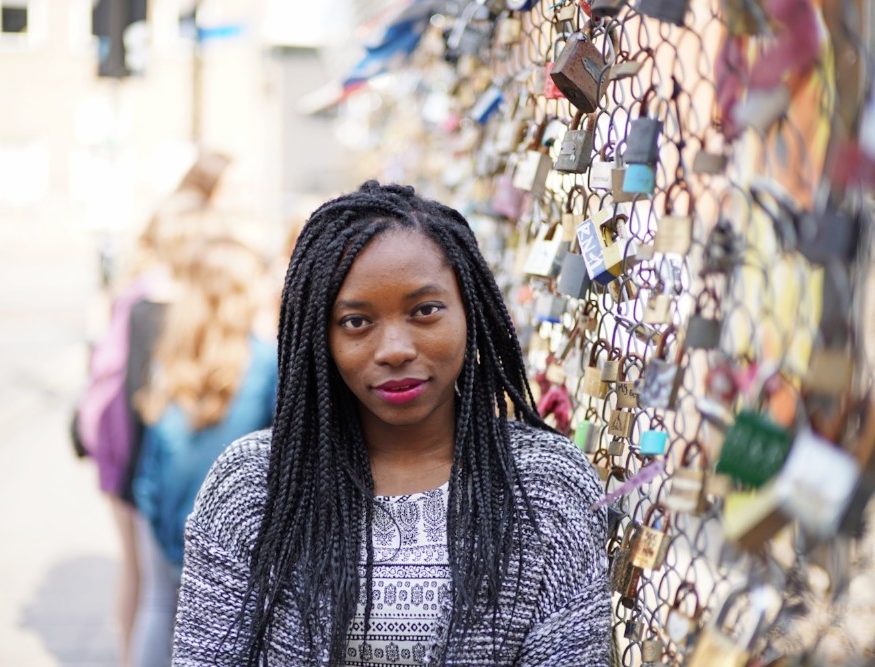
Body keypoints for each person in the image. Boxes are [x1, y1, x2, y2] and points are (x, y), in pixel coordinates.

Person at [172, 181, 610, 666]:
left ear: (471, 311)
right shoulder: (253, 486)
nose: (395, 349)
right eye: (356, 322)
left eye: (425, 311)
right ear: (320, 337)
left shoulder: (545, 485)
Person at [74, 149, 231, 666]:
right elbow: (140, 398)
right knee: (157, 591)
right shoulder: (163, 301)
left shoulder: (139, 292)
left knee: (144, 581)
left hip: (128, 457)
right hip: (140, 460)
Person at [129, 233, 278, 667]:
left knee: (158, 609)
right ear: (241, 292)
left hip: (161, 514)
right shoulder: (265, 362)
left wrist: (150, 508)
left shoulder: (170, 359)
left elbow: (152, 456)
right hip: (232, 530)